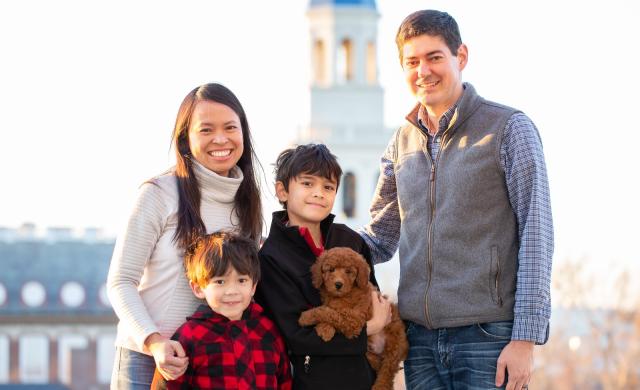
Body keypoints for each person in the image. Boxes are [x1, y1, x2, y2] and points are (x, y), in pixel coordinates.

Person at [359, 10, 553, 390]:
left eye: (434, 57)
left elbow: (537, 233)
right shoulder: (400, 144)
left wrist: (524, 339)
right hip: (420, 341)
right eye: (412, 62)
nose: (423, 71)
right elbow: (379, 237)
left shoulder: (508, 129)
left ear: (460, 57)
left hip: (489, 336)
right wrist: (307, 243)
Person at [107, 82, 263, 389]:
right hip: (147, 360)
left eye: (230, 127)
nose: (221, 139)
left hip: (214, 358)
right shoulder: (159, 193)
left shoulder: (249, 202)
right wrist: (154, 342)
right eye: (206, 130)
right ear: (185, 139)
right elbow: (120, 282)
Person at [255, 144, 393, 390]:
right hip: (312, 381)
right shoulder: (271, 258)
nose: (319, 193)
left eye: (328, 187)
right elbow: (297, 336)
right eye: (307, 184)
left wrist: (377, 325)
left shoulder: (350, 240)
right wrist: (367, 329)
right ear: (282, 191)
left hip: (363, 378)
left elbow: (371, 299)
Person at [150, 231, 292, 389]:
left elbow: (284, 381)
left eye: (241, 280)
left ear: (253, 286)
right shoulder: (190, 336)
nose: (231, 291)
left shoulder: (268, 331)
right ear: (198, 288)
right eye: (220, 282)